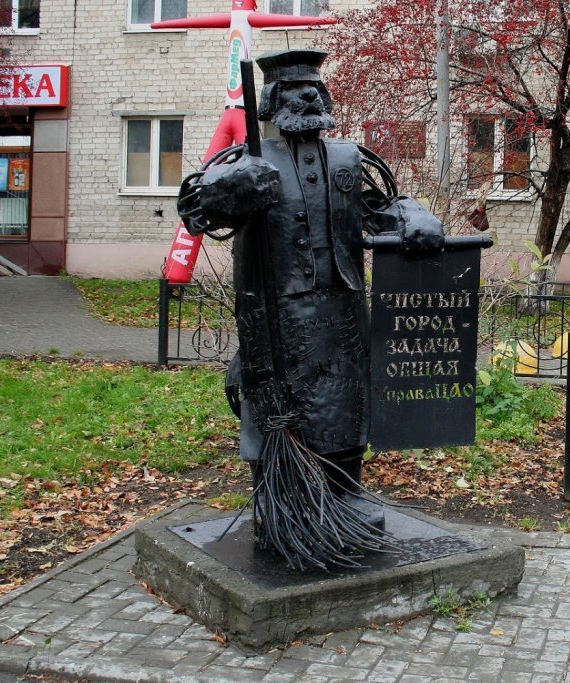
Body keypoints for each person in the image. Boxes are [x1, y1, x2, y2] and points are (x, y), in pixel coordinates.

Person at [178, 49, 444, 569]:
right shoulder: (248, 165)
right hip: (275, 314)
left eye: (312, 88)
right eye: (292, 90)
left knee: (345, 404)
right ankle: (278, 500)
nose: (305, 98)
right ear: (272, 102)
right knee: (276, 405)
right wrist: (224, 189)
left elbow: (380, 210)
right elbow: (195, 212)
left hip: (343, 307)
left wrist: (415, 214)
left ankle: (345, 494)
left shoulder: (348, 158)